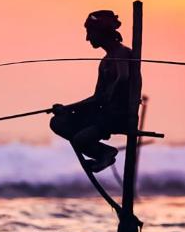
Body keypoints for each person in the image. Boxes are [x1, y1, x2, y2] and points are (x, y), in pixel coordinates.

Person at [50, 10, 133, 172]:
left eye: (90, 32)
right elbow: (97, 97)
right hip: (103, 113)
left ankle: (105, 154)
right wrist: (67, 108)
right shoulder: (105, 62)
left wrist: (111, 92)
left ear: (102, 31)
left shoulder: (122, 52)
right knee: (58, 122)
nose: (88, 38)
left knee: (80, 140)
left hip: (118, 115)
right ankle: (102, 152)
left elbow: (123, 77)